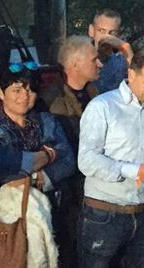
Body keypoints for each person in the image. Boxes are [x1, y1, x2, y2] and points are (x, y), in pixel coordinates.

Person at [0, 64, 76, 261]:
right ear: (1, 93)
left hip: (51, 212)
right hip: (5, 220)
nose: (24, 96)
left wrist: (38, 175)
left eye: (30, 90)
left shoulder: (47, 120)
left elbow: (68, 161)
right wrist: (48, 155)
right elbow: (1, 169)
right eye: (16, 90)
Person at [78, 47, 144, 268]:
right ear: (131, 74)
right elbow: (86, 159)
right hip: (104, 213)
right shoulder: (102, 106)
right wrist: (136, 171)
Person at [40, 35, 102, 268]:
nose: (100, 64)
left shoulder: (97, 94)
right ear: (75, 64)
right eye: (94, 59)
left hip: (94, 188)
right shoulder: (50, 101)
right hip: (68, 194)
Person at [88, 9, 132, 92]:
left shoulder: (122, 61)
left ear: (118, 34)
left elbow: (139, 83)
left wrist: (126, 48)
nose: (106, 37)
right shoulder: (81, 59)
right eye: (101, 31)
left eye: (112, 33)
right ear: (91, 30)